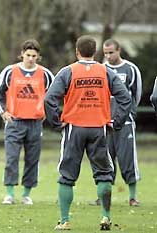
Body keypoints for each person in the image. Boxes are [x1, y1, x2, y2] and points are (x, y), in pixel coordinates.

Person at [44, 35, 131, 231]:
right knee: (104, 175)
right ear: (95, 52)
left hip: (73, 128)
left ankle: (65, 221)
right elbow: (125, 98)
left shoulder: (68, 71)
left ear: (77, 52)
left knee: (67, 176)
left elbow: (49, 99)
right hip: (99, 128)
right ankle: (105, 217)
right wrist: (116, 122)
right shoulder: (105, 71)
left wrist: (57, 122)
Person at [0, 39, 54, 205]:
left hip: (35, 123)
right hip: (14, 122)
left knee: (32, 159)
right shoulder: (10, 71)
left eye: (34, 55)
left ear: (38, 56)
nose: (31, 58)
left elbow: (54, 94)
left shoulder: (45, 74)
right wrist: (2, 112)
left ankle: (26, 194)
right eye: (28, 55)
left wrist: (48, 112)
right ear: (22, 54)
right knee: (11, 158)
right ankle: (10, 194)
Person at [89, 39, 142, 206]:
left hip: (125, 123)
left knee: (127, 159)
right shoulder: (100, 69)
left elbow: (136, 95)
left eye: (111, 52)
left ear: (119, 50)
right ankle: (103, 196)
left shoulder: (131, 69)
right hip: (104, 123)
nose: (108, 56)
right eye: (105, 53)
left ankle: (132, 197)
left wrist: (129, 114)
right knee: (104, 160)